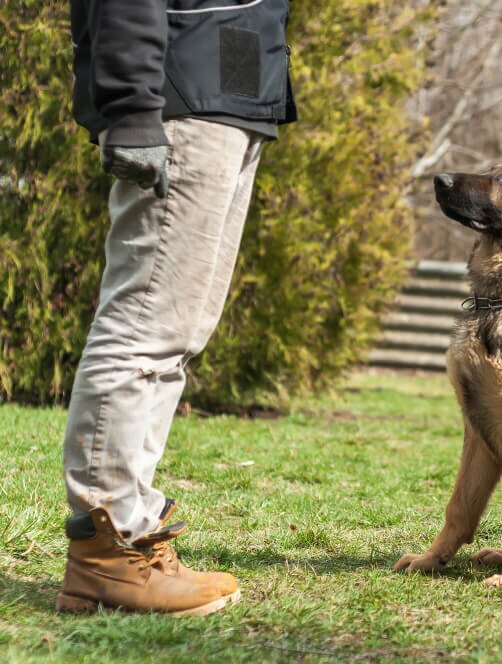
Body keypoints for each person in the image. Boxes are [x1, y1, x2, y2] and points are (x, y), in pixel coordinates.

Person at [58, 0, 296, 616]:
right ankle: (105, 551)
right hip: (181, 97)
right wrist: (132, 107)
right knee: (145, 327)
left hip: (232, 98)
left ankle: (133, 529)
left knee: (178, 333)